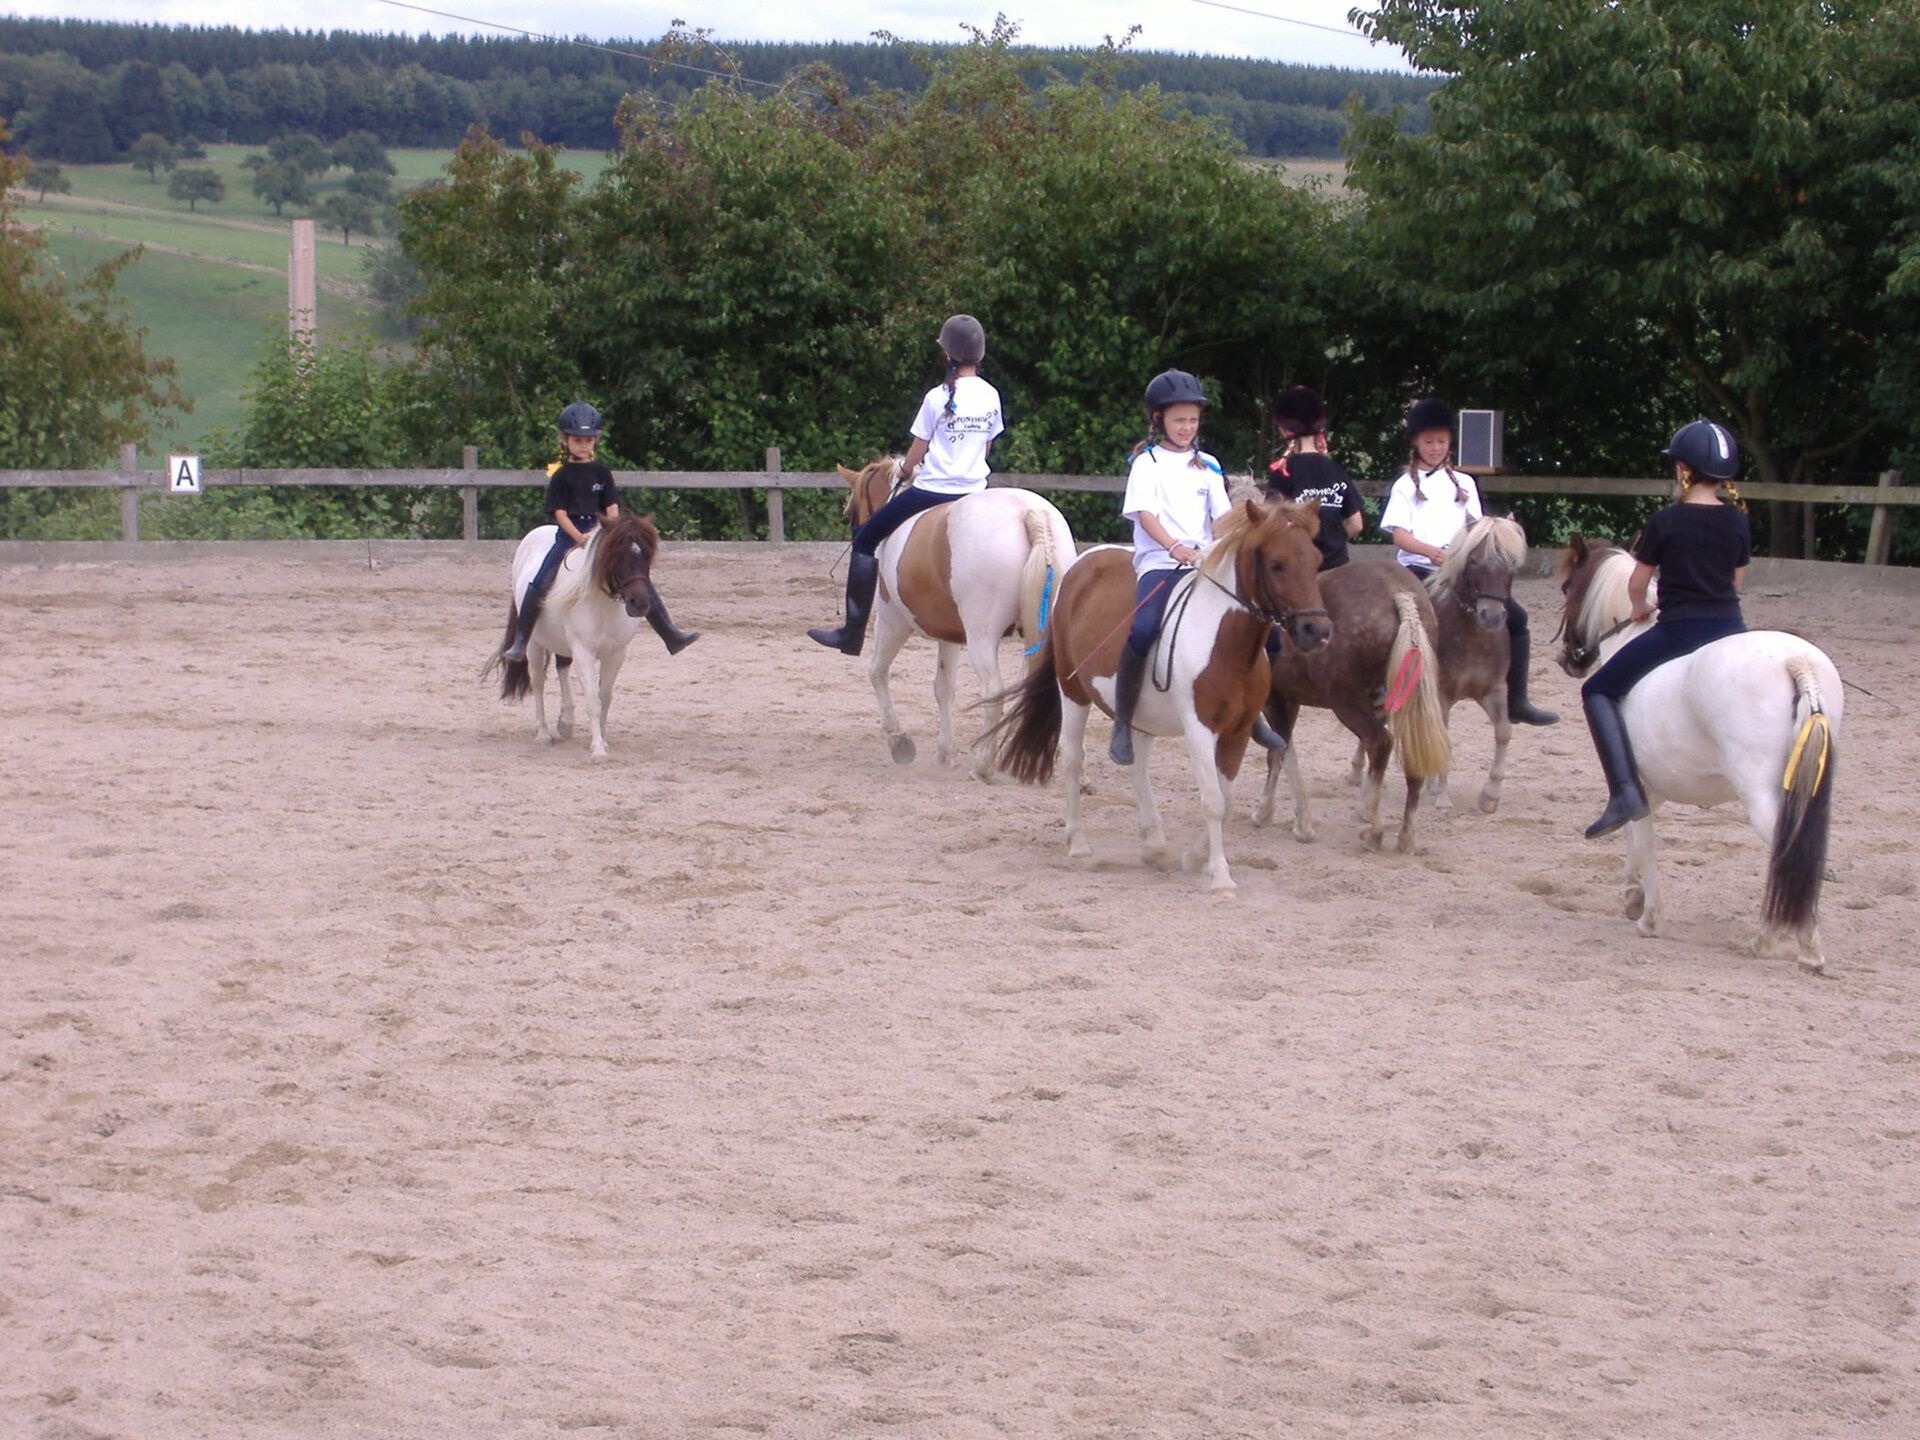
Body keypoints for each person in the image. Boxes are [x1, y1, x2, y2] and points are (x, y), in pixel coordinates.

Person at [1580, 419, 1751, 838]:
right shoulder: (1738, 521)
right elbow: (1735, 583)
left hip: (1680, 631)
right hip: (1731, 628)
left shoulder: (1667, 519)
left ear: (1682, 470)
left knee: (1596, 689)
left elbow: (1637, 583)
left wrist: (1638, 609)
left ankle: (1624, 792)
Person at [808, 315, 1004, 655]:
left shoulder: (936, 397)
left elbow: (916, 451)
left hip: (934, 490)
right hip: (976, 491)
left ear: (948, 355)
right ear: (979, 355)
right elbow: (986, 446)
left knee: (865, 539)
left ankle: (851, 634)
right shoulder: (991, 395)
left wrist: (904, 471)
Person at [1379, 398, 1558, 726]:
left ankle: (1517, 699)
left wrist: (1498, 529)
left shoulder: (1464, 483)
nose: (1436, 448)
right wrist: (1430, 551)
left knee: (1515, 616)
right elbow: (1399, 536)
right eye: (1429, 441)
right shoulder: (1405, 486)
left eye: (1442, 441)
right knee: (1401, 618)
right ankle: (1384, 685)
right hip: (1419, 567)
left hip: (1460, 570)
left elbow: (1476, 529)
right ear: (1416, 444)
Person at [501, 402, 699, 664]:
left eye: (588, 440)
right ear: (566, 441)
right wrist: (579, 537)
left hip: (602, 534)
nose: (584, 445)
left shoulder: (602, 473)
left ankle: (670, 634)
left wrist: (614, 532)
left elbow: (612, 506)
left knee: (639, 578)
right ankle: (521, 640)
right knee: (540, 579)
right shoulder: (560, 476)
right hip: (569, 536)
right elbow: (559, 513)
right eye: (578, 440)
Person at [1109, 369, 1231, 766]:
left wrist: (1217, 548)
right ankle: (1123, 720)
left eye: (1193, 420)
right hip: (1161, 562)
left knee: (1257, 624)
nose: (1187, 427)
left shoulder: (1209, 466)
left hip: (1204, 562)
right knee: (1143, 629)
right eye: (1180, 420)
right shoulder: (1147, 463)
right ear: (1159, 419)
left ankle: (1253, 710)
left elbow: (1223, 518)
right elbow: (1146, 515)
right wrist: (1174, 547)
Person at [1263, 385, 1364, 570]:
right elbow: (1356, 524)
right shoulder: (1336, 469)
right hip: (1339, 566)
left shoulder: (1283, 472)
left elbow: (1272, 525)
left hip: (1302, 570)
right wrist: (1334, 542)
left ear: (1284, 430)